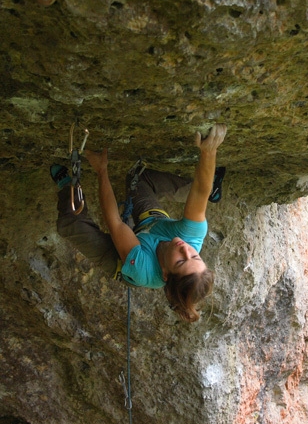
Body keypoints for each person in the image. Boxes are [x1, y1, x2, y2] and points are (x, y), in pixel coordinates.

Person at [51, 123, 227, 322]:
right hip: (150, 227)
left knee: (70, 225)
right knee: (138, 179)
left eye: (180, 261)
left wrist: (102, 171)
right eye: (195, 256)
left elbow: (115, 221)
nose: (185, 249)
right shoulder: (191, 237)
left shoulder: (142, 269)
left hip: (121, 259)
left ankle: (67, 186)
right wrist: (209, 151)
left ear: (166, 274)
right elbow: (199, 193)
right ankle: (214, 188)